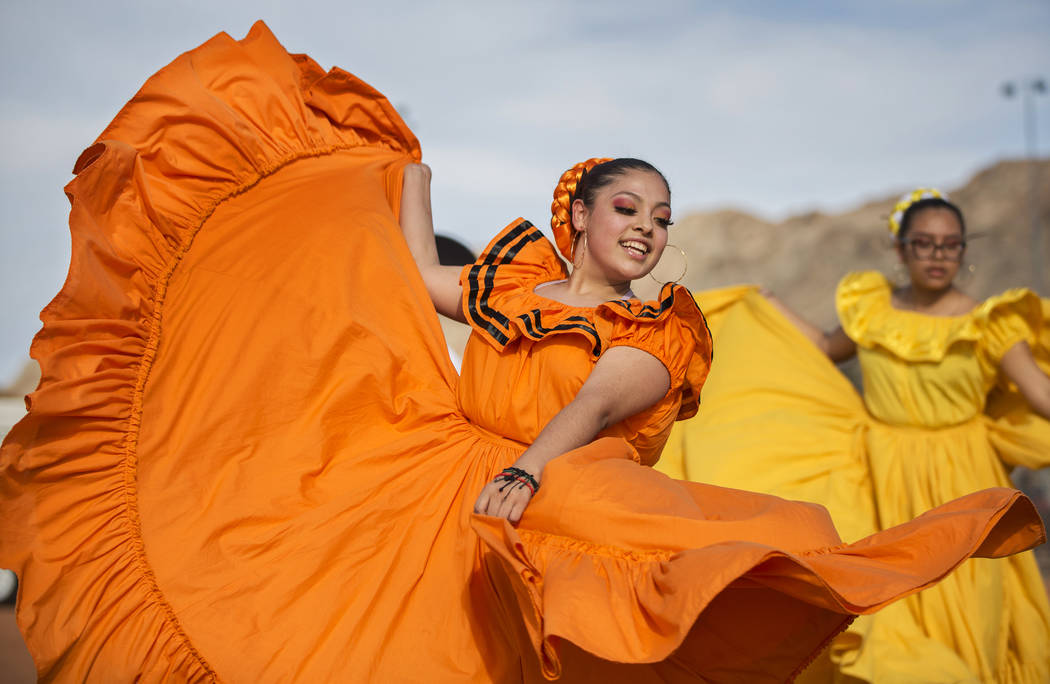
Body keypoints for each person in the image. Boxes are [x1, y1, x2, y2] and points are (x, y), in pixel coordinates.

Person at [0, 23, 1044, 683]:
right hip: (441, 484)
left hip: (557, 494)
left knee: (721, 570)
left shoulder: (659, 329)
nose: (646, 224)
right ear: (578, 213)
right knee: (314, 606)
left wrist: (524, 469)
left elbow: (593, 403)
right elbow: (416, 281)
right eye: (626, 206)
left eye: (661, 213)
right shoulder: (510, 289)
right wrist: (405, 167)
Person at [660, 188, 1050, 682]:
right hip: (880, 472)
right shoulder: (873, 309)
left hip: (962, 476)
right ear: (901, 248)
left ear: (964, 250)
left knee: (969, 602)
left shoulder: (992, 322)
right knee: (894, 603)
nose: (937, 255)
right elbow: (825, 345)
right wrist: (765, 306)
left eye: (950, 244)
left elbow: (1041, 395)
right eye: (924, 243)